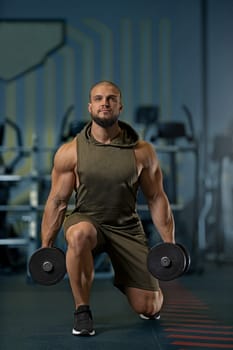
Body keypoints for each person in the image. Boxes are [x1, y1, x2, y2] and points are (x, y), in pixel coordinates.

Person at [41, 80, 175, 336]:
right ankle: (82, 310)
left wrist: (169, 243)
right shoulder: (70, 152)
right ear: (90, 106)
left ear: (120, 106)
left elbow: (157, 197)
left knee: (150, 307)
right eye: (99, 98)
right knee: (79, 235)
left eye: (111, 98)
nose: (105, 103)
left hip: (126, 226)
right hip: (86, 220)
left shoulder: (142, 151)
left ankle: (128, 276)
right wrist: (46, 246)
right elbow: (57, 201)